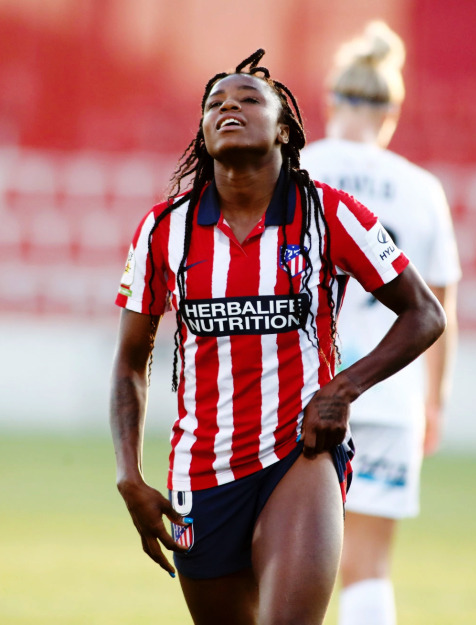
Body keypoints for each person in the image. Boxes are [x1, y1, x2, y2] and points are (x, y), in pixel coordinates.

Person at [109, 48, 446, 625]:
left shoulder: (328, 214)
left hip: (300, 451)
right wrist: (128, 474)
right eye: (216, 103)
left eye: (248, 99)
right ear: (203, 131)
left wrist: (342, 391)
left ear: (284, 127)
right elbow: (129, 363)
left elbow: (425, 312)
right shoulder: (164, 230)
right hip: (202, 467)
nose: (228, 108)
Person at [301, 22, 461, 625]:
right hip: (392, 392)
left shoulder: (298, 173)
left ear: (332, 98)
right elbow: (439, 306)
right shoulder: (422, 189)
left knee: (287, 557)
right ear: (392, 109)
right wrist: (435, 404)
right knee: (367, 569)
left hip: (304, 390)